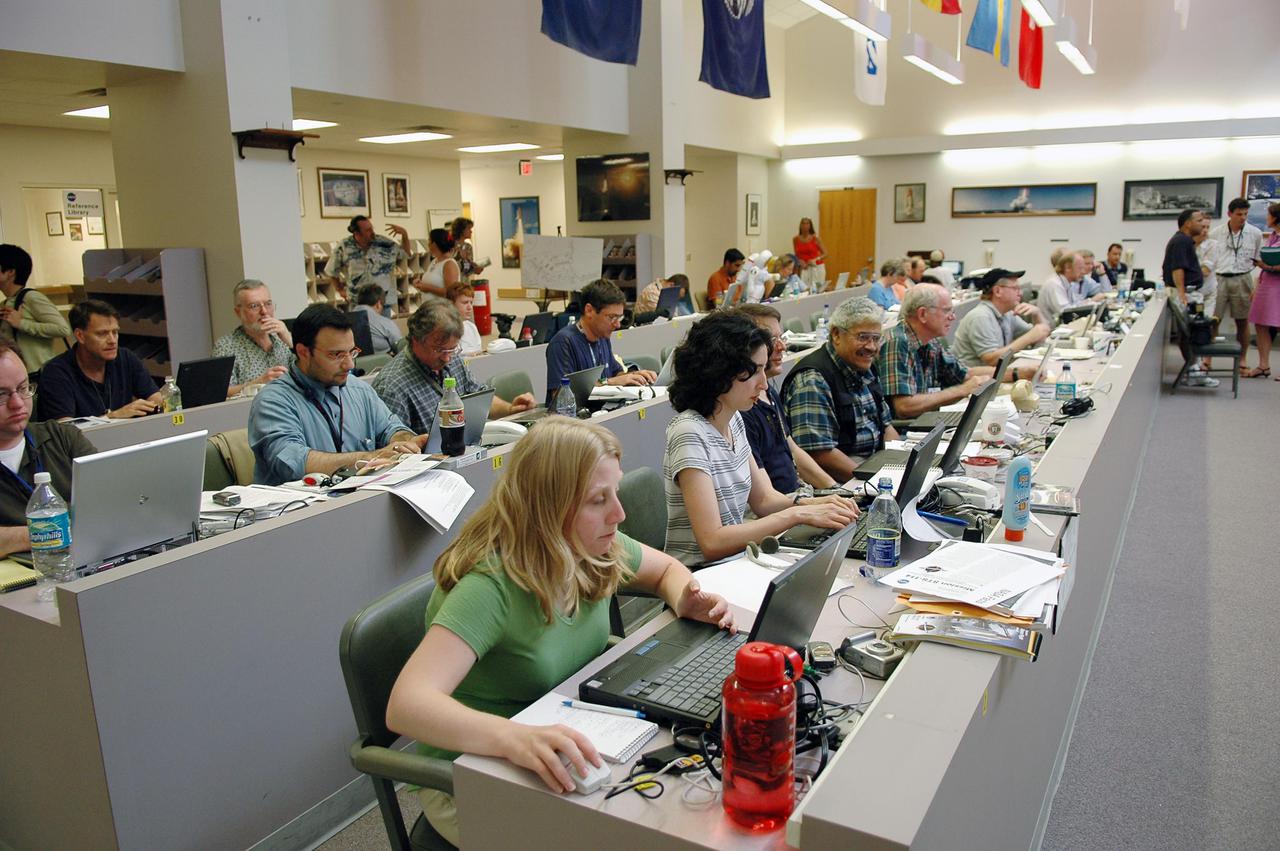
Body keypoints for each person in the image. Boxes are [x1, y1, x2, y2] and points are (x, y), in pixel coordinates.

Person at [385, 417, 735, 846]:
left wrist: (683, 597)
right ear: (548, 507)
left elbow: (666, 569)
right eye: (597, 500)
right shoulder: (490, 585)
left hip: (564, 742)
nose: (619, 514)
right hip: (478, 776)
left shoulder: (587, 545)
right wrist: (513, 738)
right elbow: (407, 705)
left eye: (615, 493)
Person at [663, 312, 858, 566]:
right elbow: (712, 542)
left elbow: (764, 499)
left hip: (735, 564)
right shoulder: (689, 432)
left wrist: (818, 503)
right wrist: (797, 514)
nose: (764, 384)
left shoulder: (733, 419)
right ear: (719, 372)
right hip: (698, 578)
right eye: (754, 372)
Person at [247, 304, 424, 486]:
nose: (349, 365)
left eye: (351, 352)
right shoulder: (272, 401)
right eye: (336, 355)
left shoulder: (358, 389)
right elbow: (294, 462)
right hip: (302, 509)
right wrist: (370, 457)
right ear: (303, 352)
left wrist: (404, 442)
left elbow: (391, 428)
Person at [371, 300, 535, 435]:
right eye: (439, 349)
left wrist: (510, 408)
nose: (447, 357)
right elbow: (396, 448)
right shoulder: (392, 385)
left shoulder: (453, 360)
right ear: (415, 340)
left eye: (453, 349)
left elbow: (479, 399)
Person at [781, 298, 900, 483]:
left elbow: (886, 426)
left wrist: (898, 466)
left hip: (873, 469)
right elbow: (819, 454)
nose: (871, 347)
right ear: (836, 335)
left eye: (876, 338)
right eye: (862, 337)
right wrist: (875, 481)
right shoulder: (813, 380)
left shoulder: (863, 365)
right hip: (844, 482)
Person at [0, 341, 97, 557]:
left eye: (23, 388)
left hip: (81, 566)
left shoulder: (62, 438)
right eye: (1, 395)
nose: (18, 403)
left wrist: (12, 538)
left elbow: (110, 502)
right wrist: (56, 531)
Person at [733, 304, 838, 493]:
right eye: (771, 340)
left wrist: (836, 490)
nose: (782, 347)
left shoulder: (769, 392)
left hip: (792, 501)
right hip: (774, 512)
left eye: (781, 337)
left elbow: (793, 450)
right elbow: (764, 500)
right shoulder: (741, 409)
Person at [877, 284, 992, 418]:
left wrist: (1015, 373)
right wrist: (963, 390)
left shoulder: (930, 340)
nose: (952, 317)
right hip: (908, 431)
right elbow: (904, 406)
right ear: (922, 314)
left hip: (928, 421)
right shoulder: (897, 343)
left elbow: (963, 374)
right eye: (947, 311)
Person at [36, 300, 161, 421]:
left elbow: (157, 399)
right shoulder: (56, 373)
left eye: (115, 332)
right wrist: (112, 417)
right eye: (102, 334)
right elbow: (65, 430)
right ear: (80, 336)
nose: (112, 340)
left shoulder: (125, 358)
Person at [545, 279, 656, 405]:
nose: (618, 324)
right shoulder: (563, 343)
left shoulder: (602, 337)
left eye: (619, 317)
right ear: (589, 311)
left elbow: (616, 373)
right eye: (612, 317)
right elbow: (561, 397)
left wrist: (635, 376)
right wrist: (610, 382)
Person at [952, 268, 1051, 373]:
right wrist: (1029, 338)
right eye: (1015, 288)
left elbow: (1040, 334)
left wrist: (1037, 314)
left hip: (993, 376)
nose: (1020, 293)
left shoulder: (1007, 314)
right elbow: (992, 360)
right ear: (998, 291)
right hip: (976, 382)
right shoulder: (980, 317)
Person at [211, 279, 294, 396]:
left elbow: (311, 373)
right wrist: (258, 383)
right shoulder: (226, 346)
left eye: (268, 304)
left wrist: (290, 341)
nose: (264, 311)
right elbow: (221, 392)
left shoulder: (284, 337)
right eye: (254, 306)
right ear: (238, 312)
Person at [0, 244, 71, 375]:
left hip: (38, 377)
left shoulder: (31, 298)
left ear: (10, 272)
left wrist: (22, 324)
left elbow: (63, 329)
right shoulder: (5, 303)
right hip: (17, 377)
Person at [1211, 199, 1264, 373]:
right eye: (1239, 214)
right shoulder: (1216, 233)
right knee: (1212, 320)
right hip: (1219, 278)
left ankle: (1242, 358)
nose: (1243, 218)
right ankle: (1207, 357)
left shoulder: (1255, 233)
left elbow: (1258, 258)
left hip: (1242, 278)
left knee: (1242, 321)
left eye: (1245, 214)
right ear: (1230, 214)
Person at [323, 215, 412, 316]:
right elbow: (331, 270)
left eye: (372, 228)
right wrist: (340, 289)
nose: (372, 232)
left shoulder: (384, 243)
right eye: (368, 230)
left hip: (382, 302)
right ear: (357, 233)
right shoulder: (344, 246)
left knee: (382, 331)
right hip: (358, 302)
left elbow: (406, 254)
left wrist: (404, 234)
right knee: (361, 330)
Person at [1246, 203, 1280, 380]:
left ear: (1275, 217)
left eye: (1268, 215)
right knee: (1260, 324)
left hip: (1277, 285)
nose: (1266, 218)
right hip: (1267, 284)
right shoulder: (1273, 236)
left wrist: (1266, 265)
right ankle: (1263, 365)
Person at [1038, 251, 1098, 327]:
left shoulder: (1068, 282)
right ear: (1068, 268)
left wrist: (1092, 304)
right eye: (1080, 268)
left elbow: (1075, 304)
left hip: (1062, 326)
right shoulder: (1055, 284)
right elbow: (1066, 312)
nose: (1083, 272)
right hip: (1051, 331)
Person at [1162, 209, 1207, 307]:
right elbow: (1178, 268)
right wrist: (1181, 294)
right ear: (1188, 224)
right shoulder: (1181, 241)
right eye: (1199, 221)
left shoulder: (1185, 240)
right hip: (1185, 294)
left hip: (1188, 292)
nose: (1202, 225)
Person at [351, 283, 404, 355]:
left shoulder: (343, 321)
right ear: (378, 304)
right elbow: (401, 348)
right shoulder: (385, 323)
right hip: (380, 364)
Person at [415, 228, 459, 298]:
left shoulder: (449, 264)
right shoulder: (434, 261)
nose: (428, 243)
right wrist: (421, 283)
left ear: (434, 244)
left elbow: (451, 293)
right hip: (430, 307)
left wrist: (428, 288)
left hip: (442, 308)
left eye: (429, 240)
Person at [447, 282, 483, 356]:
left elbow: (479, 352)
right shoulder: (446, 329)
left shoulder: (471, 327)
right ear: (451, 304)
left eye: (471, 303)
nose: (470, 307)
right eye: (465, 302)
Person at [448, 217, 489, 281]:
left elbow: (466, 269)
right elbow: (446, 265)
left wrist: (474, 268)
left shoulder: (468, 247)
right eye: (469, 228)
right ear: (461, 230)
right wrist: (458, 257)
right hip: (451, 281)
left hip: (463, 283)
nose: (471, 231)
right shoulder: (449, 245)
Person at [793, 218, 826, 290]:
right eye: (803, 223)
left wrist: (815, 259)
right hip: (804, 268)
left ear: (810, 226)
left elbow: (825, 254)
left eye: (807, 223)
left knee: (817, 289)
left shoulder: (815, 238)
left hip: (816, 267)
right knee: (805, 289)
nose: (805, 226)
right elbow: (796, 255)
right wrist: (799, 261)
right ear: (800, 225)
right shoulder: (795, 239)